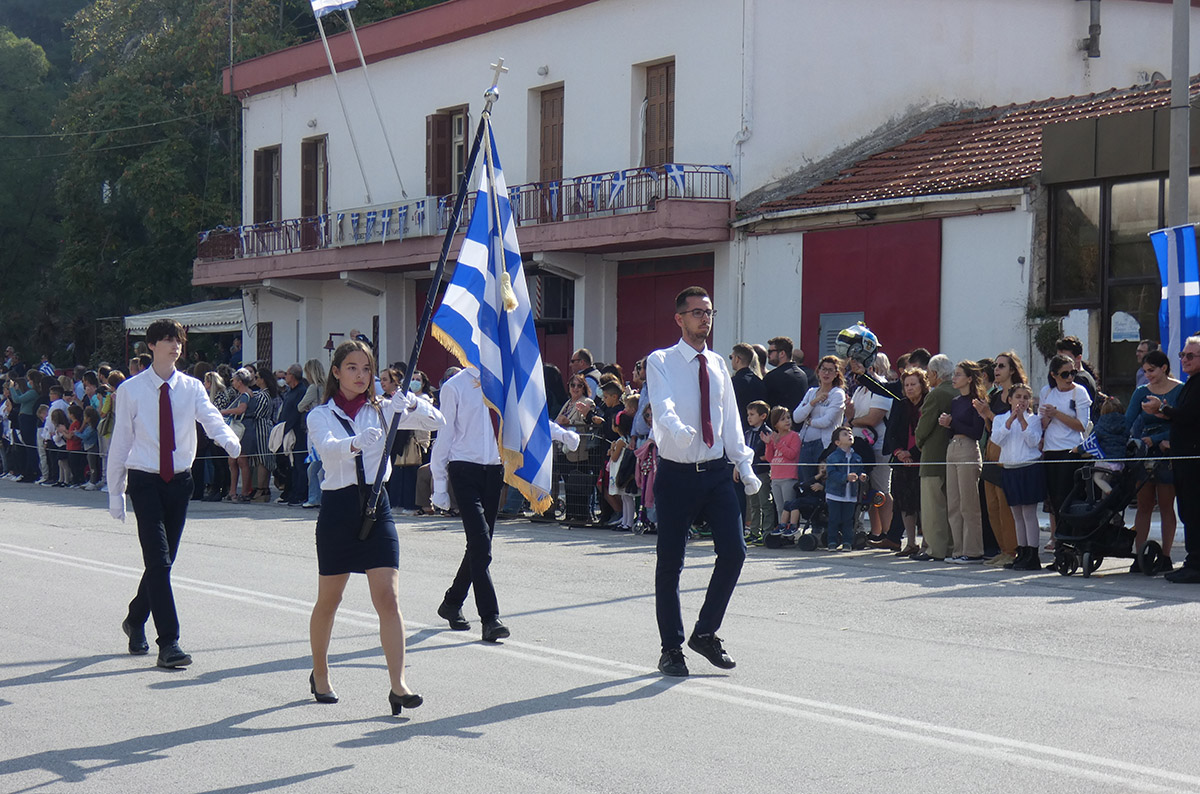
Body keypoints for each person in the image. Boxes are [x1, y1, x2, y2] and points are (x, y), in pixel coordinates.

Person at [304, 340, 442, 714]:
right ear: (336, 372)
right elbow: (329, 450)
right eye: (352, 367)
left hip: (376, 505)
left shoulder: (382, 410)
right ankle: (320, 672)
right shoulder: (320, 414)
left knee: (388, 597)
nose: (360, 376)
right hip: (339, 509)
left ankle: (398, 684)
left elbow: (437, 422)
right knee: (330, 600)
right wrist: (356, 443)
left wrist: (409, 402)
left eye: (366, 369)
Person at [107, 318, 241, 669]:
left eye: (178, 340)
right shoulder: (131, 390)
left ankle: (135, 618)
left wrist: (227, 438)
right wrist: (115, 490)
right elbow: (121, 441)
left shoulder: (192, 387)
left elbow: (210, 417)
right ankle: (169, 642)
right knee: (158, 560)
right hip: (144, 479)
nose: (175, 345)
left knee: (164, 562)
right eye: (167, 340)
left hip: (179, 481)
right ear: (151, 346)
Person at [645, 286, 761, 677]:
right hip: (677, 474)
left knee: (735, 553)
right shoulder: (661, 360)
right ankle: (671, 648)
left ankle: (705, 633)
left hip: (714, 472)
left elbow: (730, 422)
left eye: (708, 312)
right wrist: (676, 429)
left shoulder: (716, 365)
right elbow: (662, 404)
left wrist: (744, 467)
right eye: (696, 312)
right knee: (670, 563)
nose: (704, 319)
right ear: (679, 319)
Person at [429, 365, 513, 641]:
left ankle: (452, 602)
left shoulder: (502, 382)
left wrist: (558, 434)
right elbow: (445, 435)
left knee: (480, 545)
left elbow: (523, 420)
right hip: (464, 468)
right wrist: (439, 483)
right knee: (480, 544)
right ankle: (490, 618)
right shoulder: (455, 386)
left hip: (494, 469)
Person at [1141, 336, 1200, 584]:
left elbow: (1188, 416)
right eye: (1182, 355)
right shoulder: (1192, 382)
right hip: (1185, 457)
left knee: (1193, 510)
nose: (1184, 360)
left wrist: (1161, 409)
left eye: (1190, 356)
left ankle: (1196, 564)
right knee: (1188, 510)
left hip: (1194, 460)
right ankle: (1193, 560)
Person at [1126, 349, 1183, 572]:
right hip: (1146, 449)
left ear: (1164, 368)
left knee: (1167, 505)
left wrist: (1158, 438)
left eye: (1151, 370)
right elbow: (1128, 420)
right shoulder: (1141, 392)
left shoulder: (1180, 390)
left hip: (1169, 448)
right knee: (1144, 504)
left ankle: (1166, 555)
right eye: (1145, 370)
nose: (1147, 374)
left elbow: (1181, 423)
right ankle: (1139, 556)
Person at [972, 351, 1027, 567]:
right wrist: (985, 415)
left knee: (1005, 506)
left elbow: (1014, 427)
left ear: (1012, 370)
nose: (996, 369)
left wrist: (990, 415)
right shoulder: (994, 396)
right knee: (992, 505)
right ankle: (1002, 548)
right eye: (996, 365)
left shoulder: (1018, 395)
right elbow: (991, 428)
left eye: (1002, 366)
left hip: (1008, 454)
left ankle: (1011, 549)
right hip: (991, 453)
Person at [989, 383, 1046, 571]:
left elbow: (1033, 441)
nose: (1021, 401)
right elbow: (997, 439)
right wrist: (1009, 421)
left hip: (1028, 467)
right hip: (1010, 468)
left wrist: (1022, 421)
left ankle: (1032, 554)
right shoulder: (1000, 419)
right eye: (1018, 397)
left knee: (1029, 513)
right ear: (1010, 399)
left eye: (1025, 397)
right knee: (1016, 515)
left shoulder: (1034, 420)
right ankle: (1021, 551)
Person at [1040, 353, 1092, 551]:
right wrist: (1048, 417)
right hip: (1051, 449)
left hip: (1070, 449)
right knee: (1053, 498)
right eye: (1064, 374)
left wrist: (1057, 414)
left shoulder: (1079, 393)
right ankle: (1060, 540)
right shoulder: (1047, 391)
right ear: (1054, 375)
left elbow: (1081, 425)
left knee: (1066, 496)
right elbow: (1043, 423)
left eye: (1072, 373)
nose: (1070, 378)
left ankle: (1070, 540)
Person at [938, 360, 986, 563]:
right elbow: (955, 427)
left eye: (958, 374)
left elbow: (976, 431)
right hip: (953, 447)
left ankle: (973, 550)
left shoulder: (977, 401)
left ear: (969, 378)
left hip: (968, 449)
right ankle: (958, 549)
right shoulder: (956, 401)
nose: (954, 378)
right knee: (954, 502)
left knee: (969, 503)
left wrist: (953, 422)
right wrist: (947, 424)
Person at [913, 355, 956, 561]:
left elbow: (923, 428)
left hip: (933, 455)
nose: (928, 378)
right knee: (951, 505)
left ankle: (934, 549)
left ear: (936, 374)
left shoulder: (936, 394)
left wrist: (919, 442)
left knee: (933, 507)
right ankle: (950, 546)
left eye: (929, 374)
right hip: (953, 455)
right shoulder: (958, 391)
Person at [885, 368, 926, 557]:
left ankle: (927, 543)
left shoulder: (927, 404)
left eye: (913, 384)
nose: (909, 388)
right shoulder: (901, 405)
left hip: (922, 460)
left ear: (922, 385)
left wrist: (912, 453)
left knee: (923, 504)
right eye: (906, 385)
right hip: (902, 461)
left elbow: (927, 434)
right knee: (904, 502)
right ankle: (910, 543)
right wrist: (900, 452)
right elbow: (891, 433)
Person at [792, 356, 847, 483]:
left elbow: (826, 422)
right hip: (805, 444)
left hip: (824, 445)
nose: (826, 373)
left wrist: (810, 421)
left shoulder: (837, 394)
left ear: (836, 374)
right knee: (805, 482)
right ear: (818, 371)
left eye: (830, 370)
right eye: (823, 369)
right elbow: (796, 417)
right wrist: (813, 402)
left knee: (822, 481)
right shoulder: (811, 392)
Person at [824, 425, 865, 551]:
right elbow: (831, 474)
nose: (849, 435)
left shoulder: (857, 457)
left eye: (850, 433)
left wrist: (862, 476)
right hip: (835, 494)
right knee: (834, 519)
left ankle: (847, 542)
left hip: (850, 495)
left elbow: (860, 471)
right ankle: (832, 541)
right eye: (845, 434)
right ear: (837, 442)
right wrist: (845, 477)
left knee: (848, 520)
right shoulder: (832, 457)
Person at [763, 405, 801, 537]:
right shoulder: (774, 436)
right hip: (775, 477)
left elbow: (792, 454)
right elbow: (769, 458)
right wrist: (769, 444)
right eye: (783, 419)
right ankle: (781, 530)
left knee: (789, 505)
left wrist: (779, 444)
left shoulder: (794, 436)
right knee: (780, 507)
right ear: (775, 424)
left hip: (789, 476)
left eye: (788, 418)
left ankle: (792, 530)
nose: (787, 421)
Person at [743, 400, 775, 544]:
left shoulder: (767, 432)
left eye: (752, 414)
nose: (749, 417)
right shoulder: (748, 432)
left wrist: (758, 457)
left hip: (762, 471)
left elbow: (766, 454)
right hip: (751, 471)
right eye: (748, 414)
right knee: (753, 503)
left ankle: (766, 531)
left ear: (762, 416)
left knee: (765, 502)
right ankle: (754, 531)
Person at [298, 358, 327, 508]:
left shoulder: (313, 388)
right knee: (323, 466)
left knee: (313, 466)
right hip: (328, 427)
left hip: (315, 427)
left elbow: (300, 406)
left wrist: (308, 408)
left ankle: (314, 497)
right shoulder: (328, 386)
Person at [278, 364, 308, 506]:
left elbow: (297, 412)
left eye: (287, 373)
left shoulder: (301, 391)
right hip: (287, 431)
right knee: (291, 464)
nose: (285, 376)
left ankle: (300, 493)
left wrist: (287, 427)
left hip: (297, 432)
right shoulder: (290, 391)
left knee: (299, 464)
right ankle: (292, 492)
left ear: (293, 376)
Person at [764, 336, 809, 422]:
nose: (768, 355)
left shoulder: (772, 377)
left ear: (782, 353)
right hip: (798, 425)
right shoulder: (802, 375)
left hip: (779, 428)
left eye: (770, 352)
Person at [730, 343, 767, 423]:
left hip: (738, 424)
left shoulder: (733, 382)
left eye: (731, 357)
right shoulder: (759, 382)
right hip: (757, 427)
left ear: (737, 359)